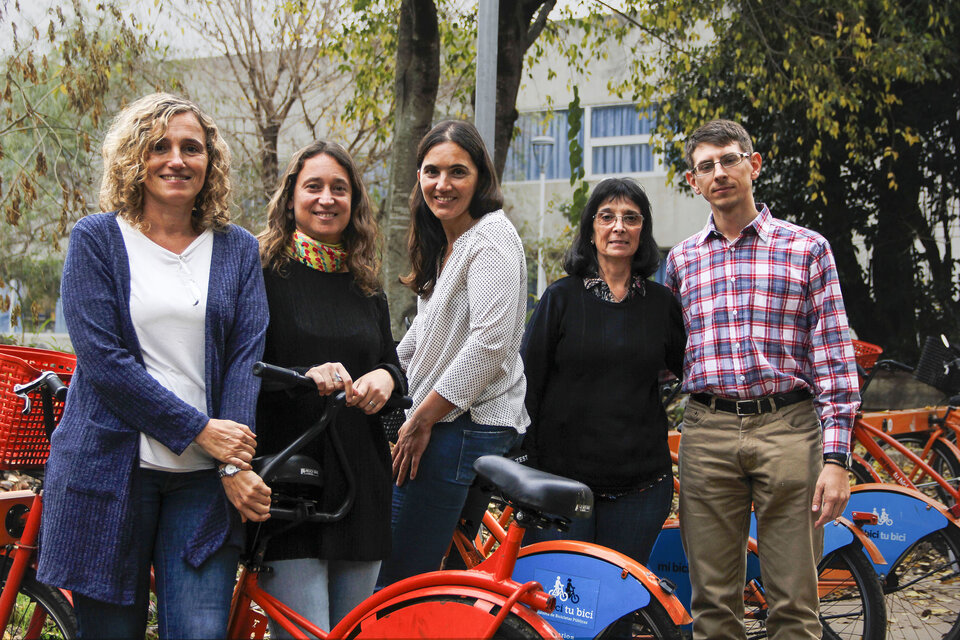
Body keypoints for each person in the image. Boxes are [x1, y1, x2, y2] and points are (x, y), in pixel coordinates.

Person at [37, 93, 272, 639]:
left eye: (192, 148)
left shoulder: (236, 249)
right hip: (107, 474)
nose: (177, 159)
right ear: (134, 159)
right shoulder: (98, 239)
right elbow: (104, 363)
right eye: (159, 146)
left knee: (200, 631)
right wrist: (199, 430)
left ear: (209, 163)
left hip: (203, 484)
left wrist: (232, 461)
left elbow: (246, 358)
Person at [664, 119, 860, 639]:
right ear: (693, 181)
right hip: (707, 432)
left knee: (795, 603)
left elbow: (835, 359)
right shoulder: (681, 262)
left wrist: (838, 459)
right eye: (707, 166)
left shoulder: (807, 248)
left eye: (729, 160)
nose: (719, 172)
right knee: (711, 605)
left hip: (789, 428)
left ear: (753, 165)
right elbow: (665, 358)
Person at [254, 140, 405, 636]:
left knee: (352, 632)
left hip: (361, 480)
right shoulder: (263, 274)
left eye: (339, 188)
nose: (326, 198)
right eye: (313, 186)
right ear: (291, 197)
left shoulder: (367, 286)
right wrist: (303, 378)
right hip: (292, 479)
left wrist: (386, 376)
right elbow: (242, 369)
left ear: (354, 201)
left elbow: (391, 365)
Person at [376, 120, 529, 586]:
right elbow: (422, 336)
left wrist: (420, 420)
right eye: (432, 172)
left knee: (396, 579)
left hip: (462, 424)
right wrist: (381, 373)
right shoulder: (452, 243)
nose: (443, 184)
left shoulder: (491, 239)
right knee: (442, 578)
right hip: (450, 420)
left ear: (481, 177)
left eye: (457, 172)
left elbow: (489, 345)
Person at [520, 177, 685, 565]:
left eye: (631, 218)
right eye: (607, 216)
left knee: (619, 611)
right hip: (561, 486)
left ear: (643, 230)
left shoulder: (661, 304)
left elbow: (689, 372)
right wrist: (524, 461)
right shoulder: (560, 298)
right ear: (590, 228)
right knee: (563, 612)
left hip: (641, 487)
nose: (618, 227)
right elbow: (527, 382)